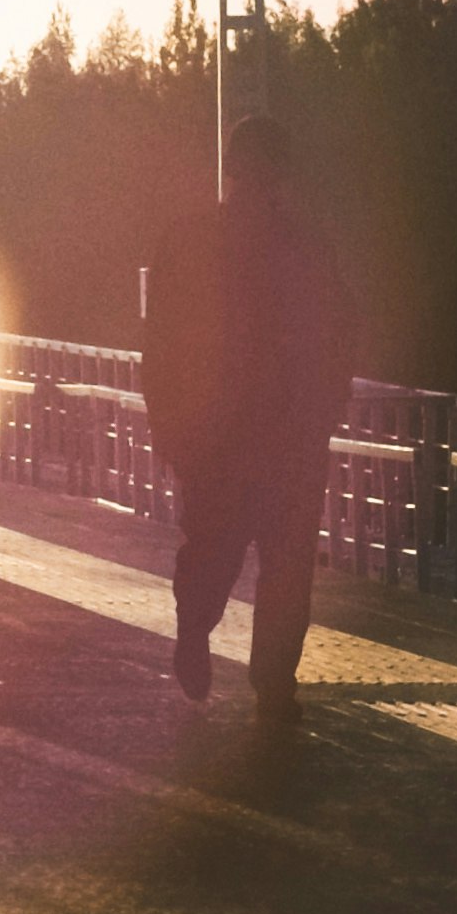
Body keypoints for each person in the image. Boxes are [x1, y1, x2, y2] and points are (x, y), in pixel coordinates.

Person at [139, 115, 362, 732]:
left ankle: (205, 635)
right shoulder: (305, 245)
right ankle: (272, 683)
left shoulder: (188, 240)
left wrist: (169, 427)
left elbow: (159, 344)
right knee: (284, 566)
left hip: (219, 439)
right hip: (286, 438)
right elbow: (340, 330)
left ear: (232, 171)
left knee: (215, 551)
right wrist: (325, 406)